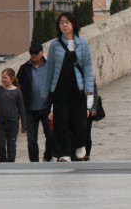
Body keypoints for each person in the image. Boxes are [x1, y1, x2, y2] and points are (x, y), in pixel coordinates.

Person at [42, 12, 95, 163]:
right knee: (61, 122)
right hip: (60, 89)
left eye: (67, 22)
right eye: (61, 23)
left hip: (77, 89)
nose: (64, 25)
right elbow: (50, 69)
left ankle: (79, 144)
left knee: (79, 122)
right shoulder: (54, 45)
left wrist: (89, 90)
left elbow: (88, 68)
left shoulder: (83, 44)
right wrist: (46, 92)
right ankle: (63, 153)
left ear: (73, 24)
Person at [18, 41, 53, 162]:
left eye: (36, 52)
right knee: (31, 138)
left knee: (50, 135)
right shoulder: (24, 68)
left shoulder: (50, 67)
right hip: (30, 110)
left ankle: (48, 157)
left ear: (42, 53)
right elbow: (17, 86)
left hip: (47, 108)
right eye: (31, 52)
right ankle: (34, 163)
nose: (33, 55)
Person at [0, 68, 26, 163]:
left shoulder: (17, 92)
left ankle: (10, 165)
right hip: (1, 123)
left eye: (5, 77)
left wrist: (24, 125)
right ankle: (3, 163)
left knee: (11, 146)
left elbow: (21, 109)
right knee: (0, 144)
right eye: (2, 77)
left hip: (13, 123)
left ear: (12, 79)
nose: (3, 79)